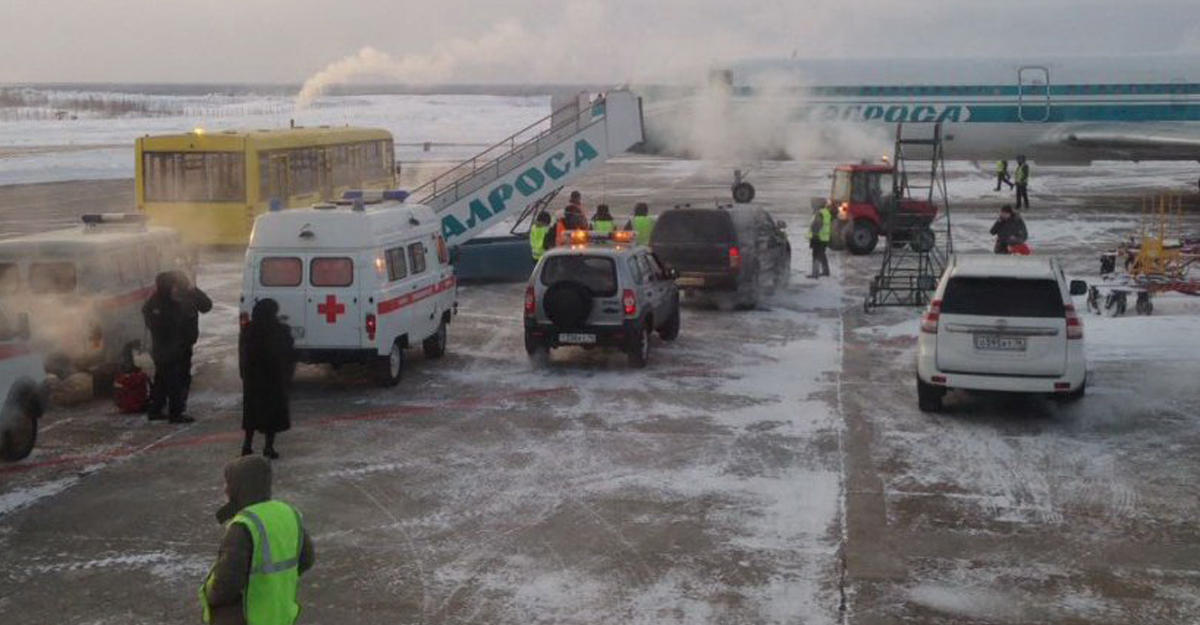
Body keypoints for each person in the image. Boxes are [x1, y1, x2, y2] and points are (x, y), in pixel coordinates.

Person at [200, 455, 314, 625]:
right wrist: (275, 582)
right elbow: (306, 559)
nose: (225, 489)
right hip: (280, 613)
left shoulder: (244, 525)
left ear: (239, 487)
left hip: (248, 617)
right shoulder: (288, 513)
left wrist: (210, 593)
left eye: (228, 483)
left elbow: (226, 585)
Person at [239, 299, 295, 459]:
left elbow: (243, 354)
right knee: (272, 416)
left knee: (251, 415)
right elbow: (288, 353)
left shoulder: (249, 330)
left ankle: (247, 445)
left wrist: (245, 374)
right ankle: (268, 447)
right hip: (273, 379)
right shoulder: (280, 330)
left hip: (253, 380)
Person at [143, 272, 192, 423]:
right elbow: (169, 324)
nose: (174, 288)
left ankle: (155, 410)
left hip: (162, 349)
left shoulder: (156, 301)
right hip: (167, 349)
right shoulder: (164, 303)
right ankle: (175, 413)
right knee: (174, 382)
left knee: (161, 382)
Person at [171, 270, 212, 417]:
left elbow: (207, 306)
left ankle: (163, 408)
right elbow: (207, 305)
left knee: (168, 376)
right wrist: (194, 290)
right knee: (181, 377)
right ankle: (177, 410)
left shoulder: (165, 297)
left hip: (167, 344)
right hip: (180, 344)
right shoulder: (186, 297)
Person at [808, 201, 833, 278]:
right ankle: (826, 271)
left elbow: (817, 225)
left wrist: (814, 235)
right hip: (825, 238)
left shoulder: (819, 214)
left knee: (816, 255)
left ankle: (815, 273)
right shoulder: (826, 213)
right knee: (822, 254)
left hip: (818, 238)